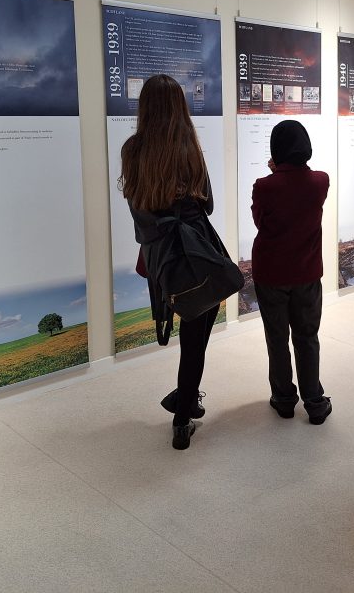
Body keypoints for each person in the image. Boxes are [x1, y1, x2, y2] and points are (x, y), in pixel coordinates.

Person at [120, 74, 220, 451]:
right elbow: (207, 204)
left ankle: (185, 401)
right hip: (195, 257)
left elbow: (138, 210)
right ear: (180, 106)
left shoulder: (133, 150)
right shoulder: (189, 148)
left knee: (172, 321)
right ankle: (183, 415)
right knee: (194, 341)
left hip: (158, 258)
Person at [251, 120, 332, 424]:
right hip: (307, 271)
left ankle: (284, 398)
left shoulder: (264, 185)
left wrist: (275, 173)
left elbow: (262, 222)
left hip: (270, 271)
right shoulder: (321, 181)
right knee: (307, 336)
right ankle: (314, 400)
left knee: (277, 337)